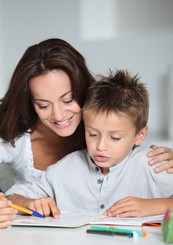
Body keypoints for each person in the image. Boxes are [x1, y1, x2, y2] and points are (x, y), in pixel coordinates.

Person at [0, 38, 173, 229]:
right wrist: (27, 204)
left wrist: (157, 205)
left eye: (67, 100)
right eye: (43, 105)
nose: (58, 115)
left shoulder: (148, 163)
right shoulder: (61, 169)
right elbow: (15, 195)